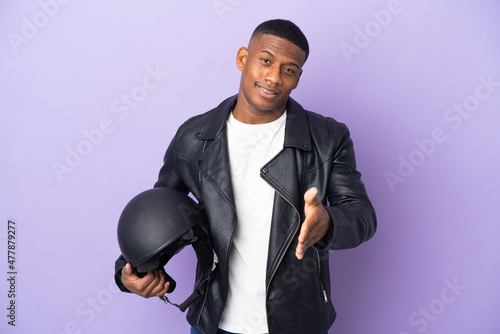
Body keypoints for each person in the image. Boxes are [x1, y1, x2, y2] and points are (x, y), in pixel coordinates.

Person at [114, 19, 377, 334]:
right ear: (243, 58)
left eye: (289, 70)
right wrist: (131, 270)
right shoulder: (194, 137)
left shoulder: (328, 137)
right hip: (213, 321)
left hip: (296, 322)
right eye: (265, 60)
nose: (273, 77)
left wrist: (328, 224)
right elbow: (160, 215)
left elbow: (362, 217)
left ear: (298, 78)